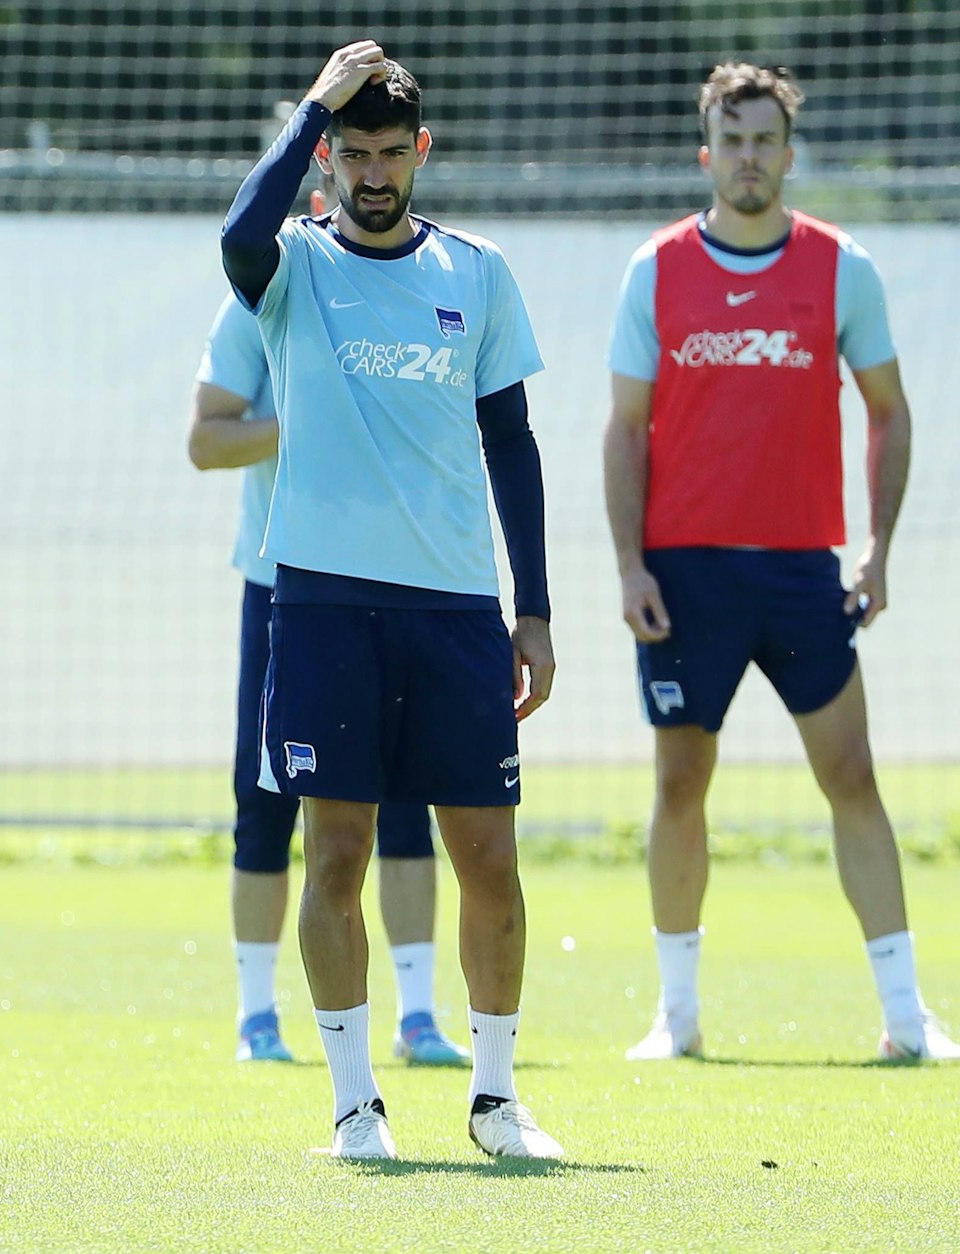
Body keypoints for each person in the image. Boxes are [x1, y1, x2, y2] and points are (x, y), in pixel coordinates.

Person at [219, 43, 561, 1159]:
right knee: (334, 858)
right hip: (319, 606)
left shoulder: (476, 273)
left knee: (490, 862)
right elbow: (235, 237)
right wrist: (310, 100)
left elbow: (511, 445)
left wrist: (534, 608)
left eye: (387, 153)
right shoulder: (295, 270)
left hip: (457, 611)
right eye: (350, 152)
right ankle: (354, 1105)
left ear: (422, 152)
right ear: (329, 156)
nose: (371, 174)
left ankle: (497, 1100)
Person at [604, 62, 955, 1064]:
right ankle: (675, 1016)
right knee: (680, 784)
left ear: (787, 153)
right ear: (703, 149)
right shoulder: (654, 270)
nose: (747, 156)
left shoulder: (841, 268)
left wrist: (879, 549)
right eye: (730, 136)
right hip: (683, 574)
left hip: (803, 570)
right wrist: (628, 566)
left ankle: (903, 1017)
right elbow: (622, 430)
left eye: (763, 138)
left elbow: (887, 412)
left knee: (850, 775)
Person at [189, 217, 469, 1067]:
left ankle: (418, 1017)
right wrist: (309, 418)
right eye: (340, 158)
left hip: (400, 582)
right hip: (287, 586)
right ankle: (255, 1016)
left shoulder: (426, 289)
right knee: (267, 798)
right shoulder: (260, 298)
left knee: (407, 799)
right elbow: (206, 439)